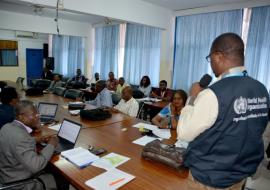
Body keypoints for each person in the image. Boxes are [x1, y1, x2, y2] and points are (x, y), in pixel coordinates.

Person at [177, 33, 270, 189]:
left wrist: (192, 98)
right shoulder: (261, 89)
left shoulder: (212, 94)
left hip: (209, 178)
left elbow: (184, 133)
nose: (211, 63)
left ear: (218, 56)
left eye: (210, 58)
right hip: (240, 175)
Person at [0, 100, 59, 190]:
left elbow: (15, 143)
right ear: (21, 117)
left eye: (38, 114)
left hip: (6, 173)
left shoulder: (6, 127)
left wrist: (35, 140)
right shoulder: (21, 137)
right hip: (20, 184)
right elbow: (36, 166)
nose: (38, 117)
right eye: (34, 115)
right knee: (59, 176)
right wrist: (51, 145)